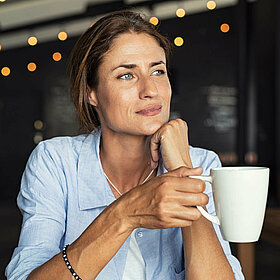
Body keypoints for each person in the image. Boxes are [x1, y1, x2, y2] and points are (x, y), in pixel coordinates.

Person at [6, 10, 244, 280]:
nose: (150, 90)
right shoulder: (55, 162)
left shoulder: (202, 164)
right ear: (90, 92)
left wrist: (181, 166)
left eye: (158, 71)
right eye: (126, 76)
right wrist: (126, 214)